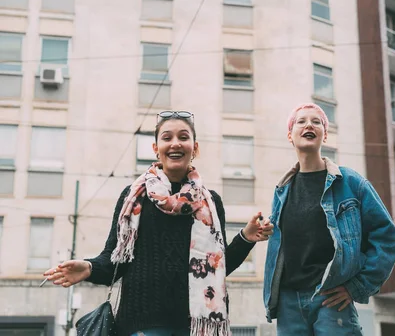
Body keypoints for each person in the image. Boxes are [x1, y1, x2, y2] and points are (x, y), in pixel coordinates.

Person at [43, 110, 273, 336]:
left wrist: (245, 238)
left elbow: (217, 268)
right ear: (156, 149)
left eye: (183, 137)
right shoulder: (134, 198)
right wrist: (89, 268)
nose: (175, 143)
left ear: (195, 148)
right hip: (141, 325)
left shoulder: (211, 203)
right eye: (167, 138)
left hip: (194, 326)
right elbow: (115, 261)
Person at [263, 103, 395, 335]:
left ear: (324, 135)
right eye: (301, 121)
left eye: (316, 122)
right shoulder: (282, 190)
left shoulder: (349, 182)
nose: (309, 125)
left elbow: (386, 238)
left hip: (330, 299)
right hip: (289, 301)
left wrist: (357, 287)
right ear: (290, 135)